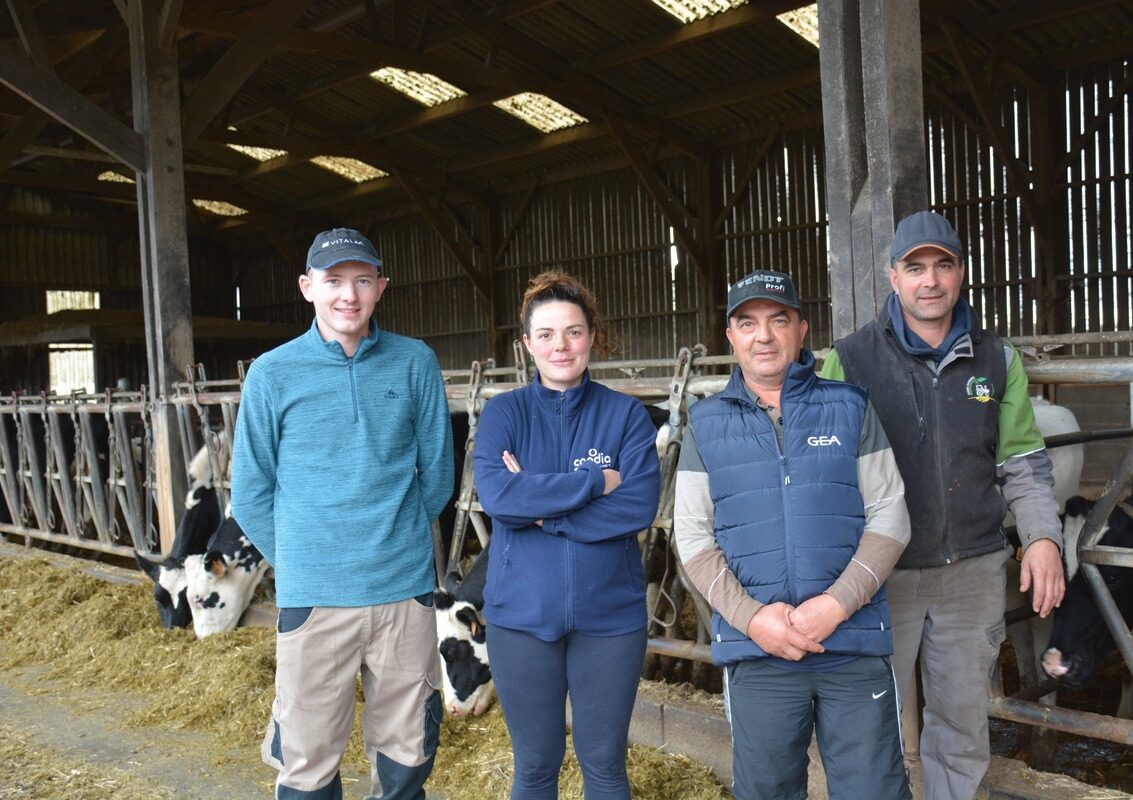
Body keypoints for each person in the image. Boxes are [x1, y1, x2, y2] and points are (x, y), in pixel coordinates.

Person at [820, 211, 1065, 800]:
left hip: (972, 570)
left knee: (961, 725)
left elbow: (1023, 464)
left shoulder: (997, 360)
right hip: (880, 576)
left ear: (961, 273)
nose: (930, 280)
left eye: (943, 265)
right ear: (893, 276)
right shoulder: (848, 361)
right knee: (870, 726)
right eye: (915, 267)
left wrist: (1042, 538)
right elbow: (822, 476)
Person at [232, 227, 454, 800]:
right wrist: (305, 560)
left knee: (408, 755)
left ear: (381, 286)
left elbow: (438, 475)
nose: (347, 295)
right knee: (306, 761)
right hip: (314, 601)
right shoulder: (272, 373)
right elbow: (251, 490)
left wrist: (393, 539)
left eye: (361, 280)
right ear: (308, 288)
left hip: (402, 592)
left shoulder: (415, 363)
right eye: (333, 281)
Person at [675, 269, 912, 800]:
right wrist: (753, 619)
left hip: (850, 643)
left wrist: (834, 605)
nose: (764, 336)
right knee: (767, 792)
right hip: (758, 650)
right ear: (730, 335)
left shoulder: (851, 406)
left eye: (778, 320)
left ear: (802, 330)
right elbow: (692, 538)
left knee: (874, 790)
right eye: (748, 323)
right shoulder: (705, 424)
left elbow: (890, 516)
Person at [472, 271, 660, 800]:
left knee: (603, 764)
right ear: (527, 343)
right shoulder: (504, 413)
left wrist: (542, 508)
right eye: (548, 334)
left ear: (592, 337)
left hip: (610, 620)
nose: (562, 345)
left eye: (574, 332)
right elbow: (500, 500)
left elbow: (638, 506)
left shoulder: (624, 414)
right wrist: (595, 482)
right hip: (520, 618)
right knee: (535, 766)